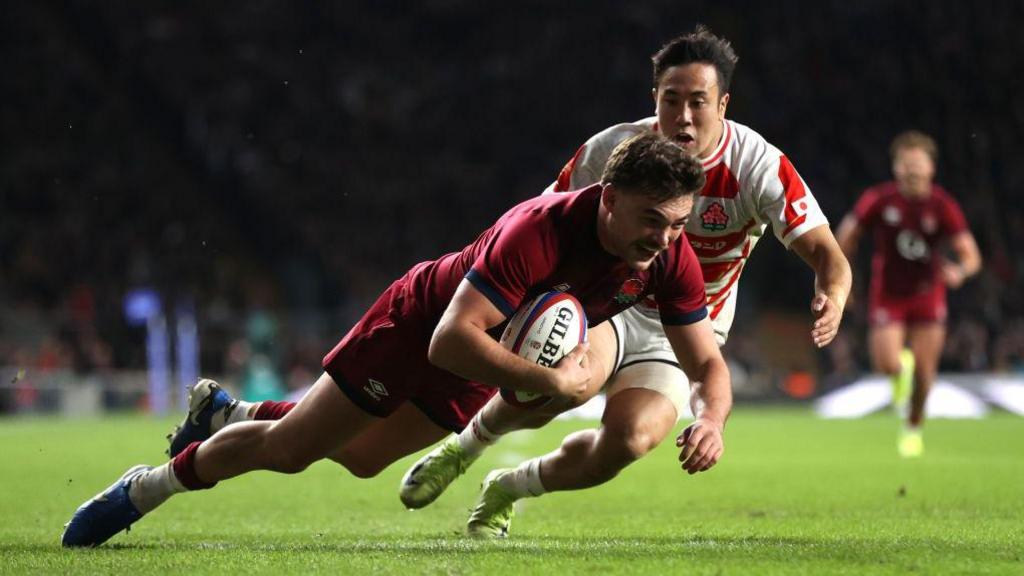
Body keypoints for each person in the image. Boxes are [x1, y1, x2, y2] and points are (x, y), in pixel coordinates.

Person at [61, 132, 732, 547]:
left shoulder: (667, 258)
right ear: (609, 197)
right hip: (421, 326)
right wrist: (550, 383)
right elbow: (449, 342)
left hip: (485, 355)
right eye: (652, 219)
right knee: (293, 450)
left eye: (675, 223)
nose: (664, 238)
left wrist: (713, 417)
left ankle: (224, 414)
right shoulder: (540, 231)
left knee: (358, 459)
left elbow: (704, 360)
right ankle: (144, 489)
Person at [396, 25, 853, 537]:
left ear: (723, 104)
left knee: (631, 439)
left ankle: (510, 486)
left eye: (698, 102)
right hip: (608, 303)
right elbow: (543, 218)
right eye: (670, 100)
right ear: (653, 99)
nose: (682, 117)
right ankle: (465, 448)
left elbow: (827, 254)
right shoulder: (616, 150)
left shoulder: (757, 165)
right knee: (565, 379)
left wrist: (831, 295)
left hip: (687, 323)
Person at [836, 130, 981, 457]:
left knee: (927, 375)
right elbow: (845, 236)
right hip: (887, 292)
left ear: (931, 168)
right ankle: (901, 371)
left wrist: (960, 270)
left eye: (918, 165)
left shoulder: (942, 206)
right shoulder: (879, 200)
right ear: (895, 168)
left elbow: (971, 254)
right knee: (886, 363)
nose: (913, 171)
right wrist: (842, 277)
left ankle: (913, 428)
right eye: (906, 165)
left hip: (928, 294)